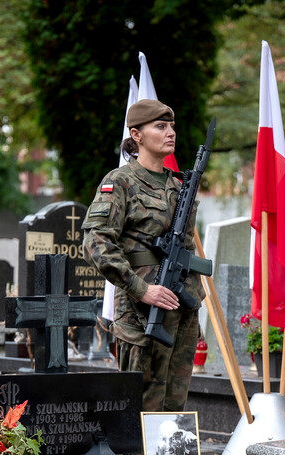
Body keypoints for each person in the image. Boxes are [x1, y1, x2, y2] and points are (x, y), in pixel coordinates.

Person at [82, 99, 203, 415]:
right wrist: (141, 289)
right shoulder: (120, 181)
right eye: (160, 126)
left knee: (175, 404)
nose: (170, 132)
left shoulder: (178, 185)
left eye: (172, 126)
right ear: (136, 135)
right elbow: (96, 241)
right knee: (141, 400)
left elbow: (186, 246)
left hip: (181, 306)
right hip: (141, 309)